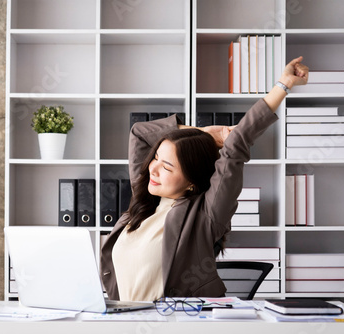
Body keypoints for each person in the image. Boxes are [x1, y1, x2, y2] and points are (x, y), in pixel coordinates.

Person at [100, 57, 309, 302]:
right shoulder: (145, 202)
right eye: (155, 158)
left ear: (191, 181)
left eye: (167, 166)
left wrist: (283, 85)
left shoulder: (205, 214)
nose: (153, 169)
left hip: (175, 325)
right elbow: (139, 134)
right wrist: (203, 133)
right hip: (125, 321)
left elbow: (237, 144)